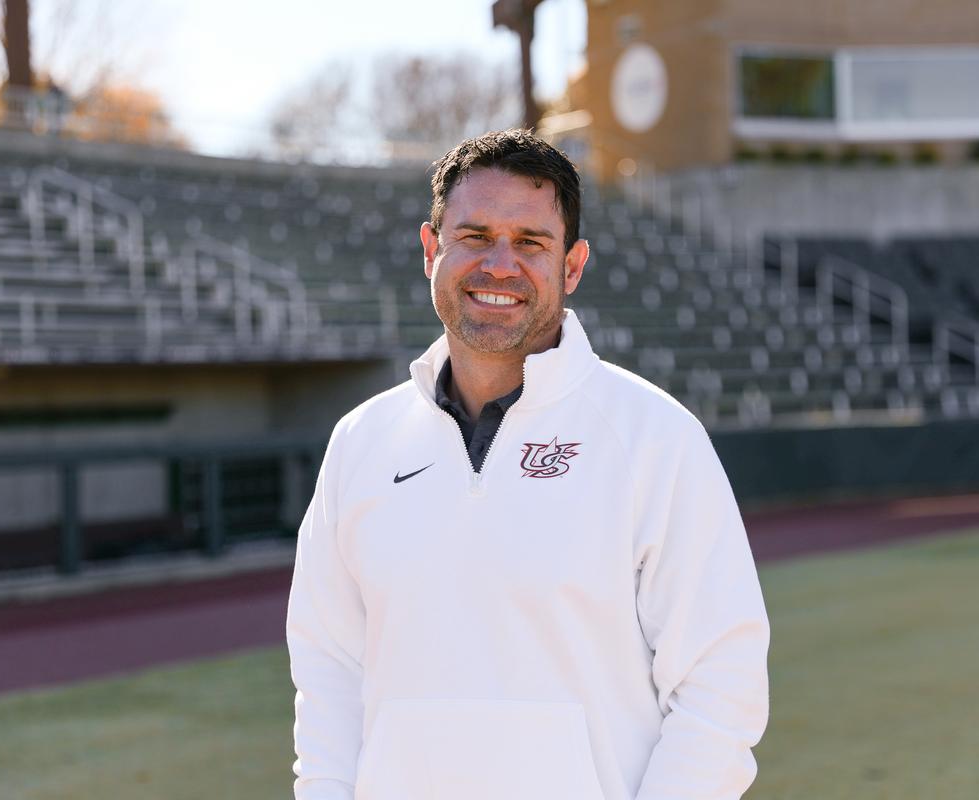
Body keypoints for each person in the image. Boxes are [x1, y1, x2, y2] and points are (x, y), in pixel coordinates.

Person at [286, 129, 770, 800]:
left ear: (571, 267)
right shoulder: (361, 442)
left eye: (531, 243)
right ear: (432, 251)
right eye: (475, 237)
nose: (499, 266)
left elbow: (722, 682)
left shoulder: (654, 437)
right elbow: (328, 671)